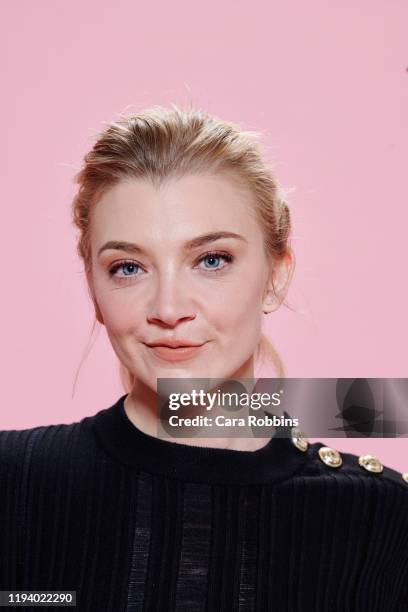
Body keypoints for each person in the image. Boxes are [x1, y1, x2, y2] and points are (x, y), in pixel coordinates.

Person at [0, 105, 407, 611]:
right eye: (128, 267)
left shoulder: (383, 518)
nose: (169, 308)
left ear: (276, 277)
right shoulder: (14, 482)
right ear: (93, 286)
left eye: (212, 260)